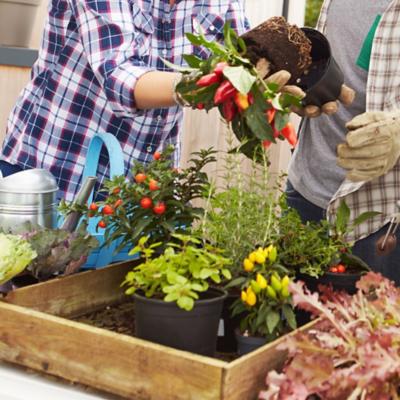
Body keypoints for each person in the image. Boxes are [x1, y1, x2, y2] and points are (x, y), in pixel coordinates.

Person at [0, 0, 250, 202]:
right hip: (55, 175)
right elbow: (118, 75)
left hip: (140, 191)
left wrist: (263, 84)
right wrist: (202, 86)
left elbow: (242, 55)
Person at [286, 0, 400, 285]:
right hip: (306, 192)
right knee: (293, 324)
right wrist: (304, 86)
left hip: (378, 220)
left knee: (366, 329)